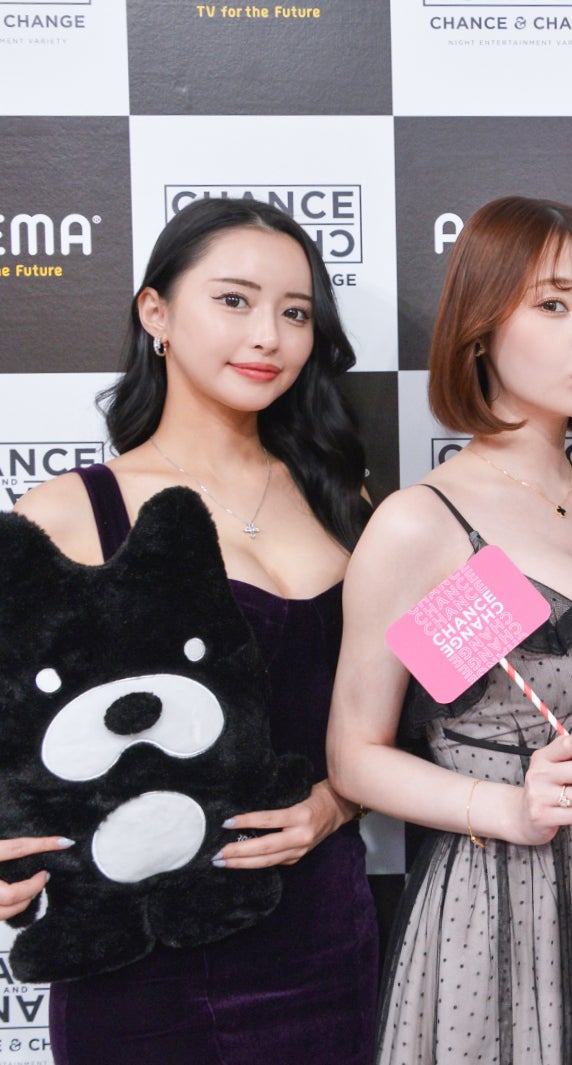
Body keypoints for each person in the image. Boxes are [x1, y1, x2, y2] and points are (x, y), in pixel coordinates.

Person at [14, 197, 379, 1064]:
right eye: (234, 300)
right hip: (140, 963)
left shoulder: (348, 501)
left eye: (296, 313)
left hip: (324, 937)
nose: (268, 336)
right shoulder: (68, 513)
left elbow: (405, 716)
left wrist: (333, 804)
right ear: (156, 313)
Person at [326, 196, 572, 1065]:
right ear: (480, 327)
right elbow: (354, 757)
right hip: (499, 901)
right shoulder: (421, 523)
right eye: (553, 304)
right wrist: (509, 807)